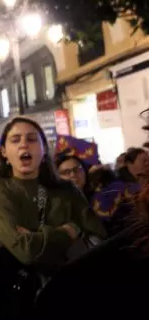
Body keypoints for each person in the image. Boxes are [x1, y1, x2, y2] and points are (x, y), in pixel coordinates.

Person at [0, 117, 107, 319]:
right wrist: (69, 231)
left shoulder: (68, 190)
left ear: (44, 149)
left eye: (31, 139)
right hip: (25, 304)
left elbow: (98, 239)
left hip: (77, 296)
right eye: (15, 140)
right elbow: (25, 250)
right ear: (4, 152)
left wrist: (36, 236)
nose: (24, 144)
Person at [34, 110, 149, 319]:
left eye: (76, 170)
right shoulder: (80, 283)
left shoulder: (105, 197)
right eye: (65, 172)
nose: (72, 176)